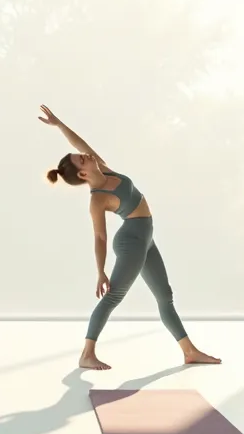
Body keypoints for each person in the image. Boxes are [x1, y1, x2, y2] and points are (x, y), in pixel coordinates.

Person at [39, 105, 221, 371]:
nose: (86, 155)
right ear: (81, 174)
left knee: (165, 296)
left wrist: (59, 125)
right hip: (131, 242)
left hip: (146, 238)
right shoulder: (97, 199)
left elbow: (81, 141)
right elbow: (100, 237)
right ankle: (87, 354)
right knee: (113, 297)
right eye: (82, 159)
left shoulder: (105, 170)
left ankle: (189, 352)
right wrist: (101, 272)